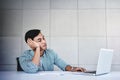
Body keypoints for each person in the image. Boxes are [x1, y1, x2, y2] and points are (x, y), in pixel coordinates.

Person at [19, 29, 86, 73]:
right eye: (39, 40)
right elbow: (32, 69)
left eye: (43, 38)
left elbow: (63, 65)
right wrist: (37, 48)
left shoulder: (51, 53)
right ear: (30, 43)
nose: (44, 41)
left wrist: (72, 69)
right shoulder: (24, 56)